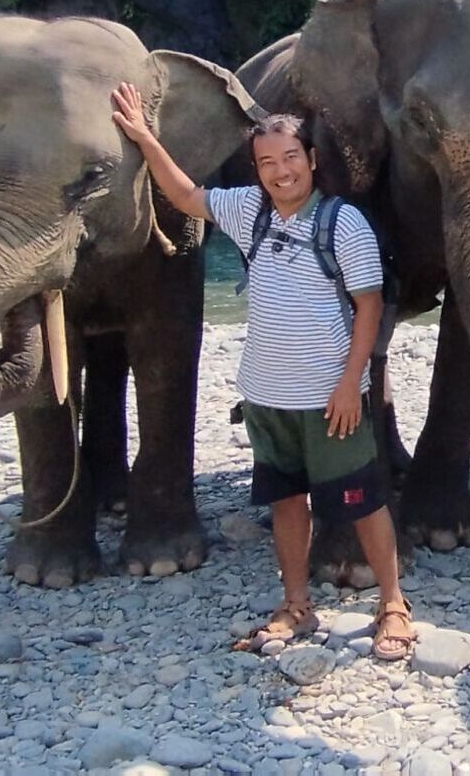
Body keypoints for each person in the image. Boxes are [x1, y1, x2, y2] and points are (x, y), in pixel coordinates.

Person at [109, 82, 414, 660]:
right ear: (256, 169)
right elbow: (184, 195)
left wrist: (352, 384)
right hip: (266, 393)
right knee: (285, 500)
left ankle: (392, 604)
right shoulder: (248, 210)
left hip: (332, 397)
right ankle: (296, 604)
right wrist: (146, 138)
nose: (280, 172)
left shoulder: (343, 223)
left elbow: (369, 306)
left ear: (312, 161)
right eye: (267, 163)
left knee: (364, 501)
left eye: (290, 158)